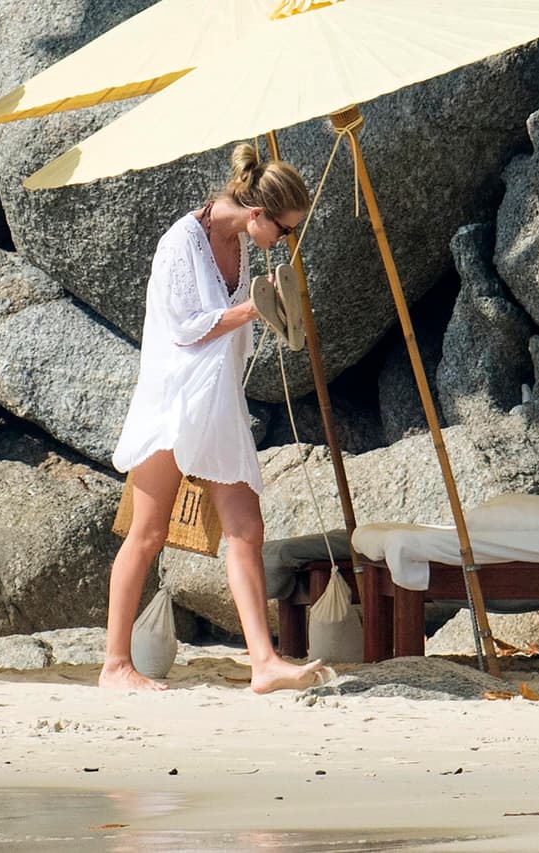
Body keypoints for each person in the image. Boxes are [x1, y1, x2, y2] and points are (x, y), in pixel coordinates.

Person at [100, 143, 325, 692]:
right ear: (257, 214)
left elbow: (233, 328)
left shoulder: (239, 246)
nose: (286, 241)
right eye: (286, 229)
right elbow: (184, 328)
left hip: (219, 402)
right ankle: (115, 665)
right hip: (173, 401)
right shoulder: (182, 240)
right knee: (149, 533)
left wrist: (269, 308)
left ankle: (264, 663)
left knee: (246, 528)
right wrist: (257, 305)